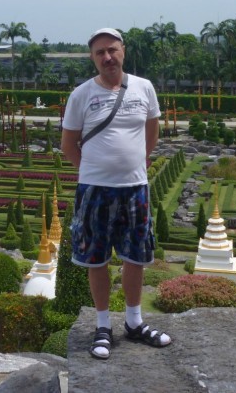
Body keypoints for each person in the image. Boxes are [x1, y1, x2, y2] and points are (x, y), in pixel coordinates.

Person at [61, 27, 171, 360]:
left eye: (112, 50)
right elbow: (68, 146)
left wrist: (134, 164)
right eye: (100, 53)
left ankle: (135, 322)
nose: (107, 57)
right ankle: (103, 325)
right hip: (95, 189)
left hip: (134, 187)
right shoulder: (81, 94)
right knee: (97, 258)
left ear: (123, 50)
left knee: (135, 255)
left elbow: (151, 132)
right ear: (93, 58)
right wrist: (97, 170)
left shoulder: (144, 88)